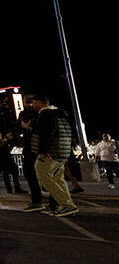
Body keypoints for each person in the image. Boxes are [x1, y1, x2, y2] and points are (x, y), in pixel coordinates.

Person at [26, 89, 78, 217]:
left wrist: (43, 151)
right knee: (58, 178)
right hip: (63, 150)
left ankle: (67, 205)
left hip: (52, 151)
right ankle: (67, 205)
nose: (33, 106)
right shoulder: (61, 112)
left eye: (33, 103)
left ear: (38, 102)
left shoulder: (45, 114)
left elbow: (47, 133)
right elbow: (69, 130)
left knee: (42, 174)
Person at [0, 129, 25, 195]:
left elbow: (9, 145)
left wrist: (9, 140)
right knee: (6, 176)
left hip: (9, 159)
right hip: (2, 161)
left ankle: (17, 188)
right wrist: (6, 138)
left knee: (15, 173)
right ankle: (9, 190)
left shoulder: (3, 140)